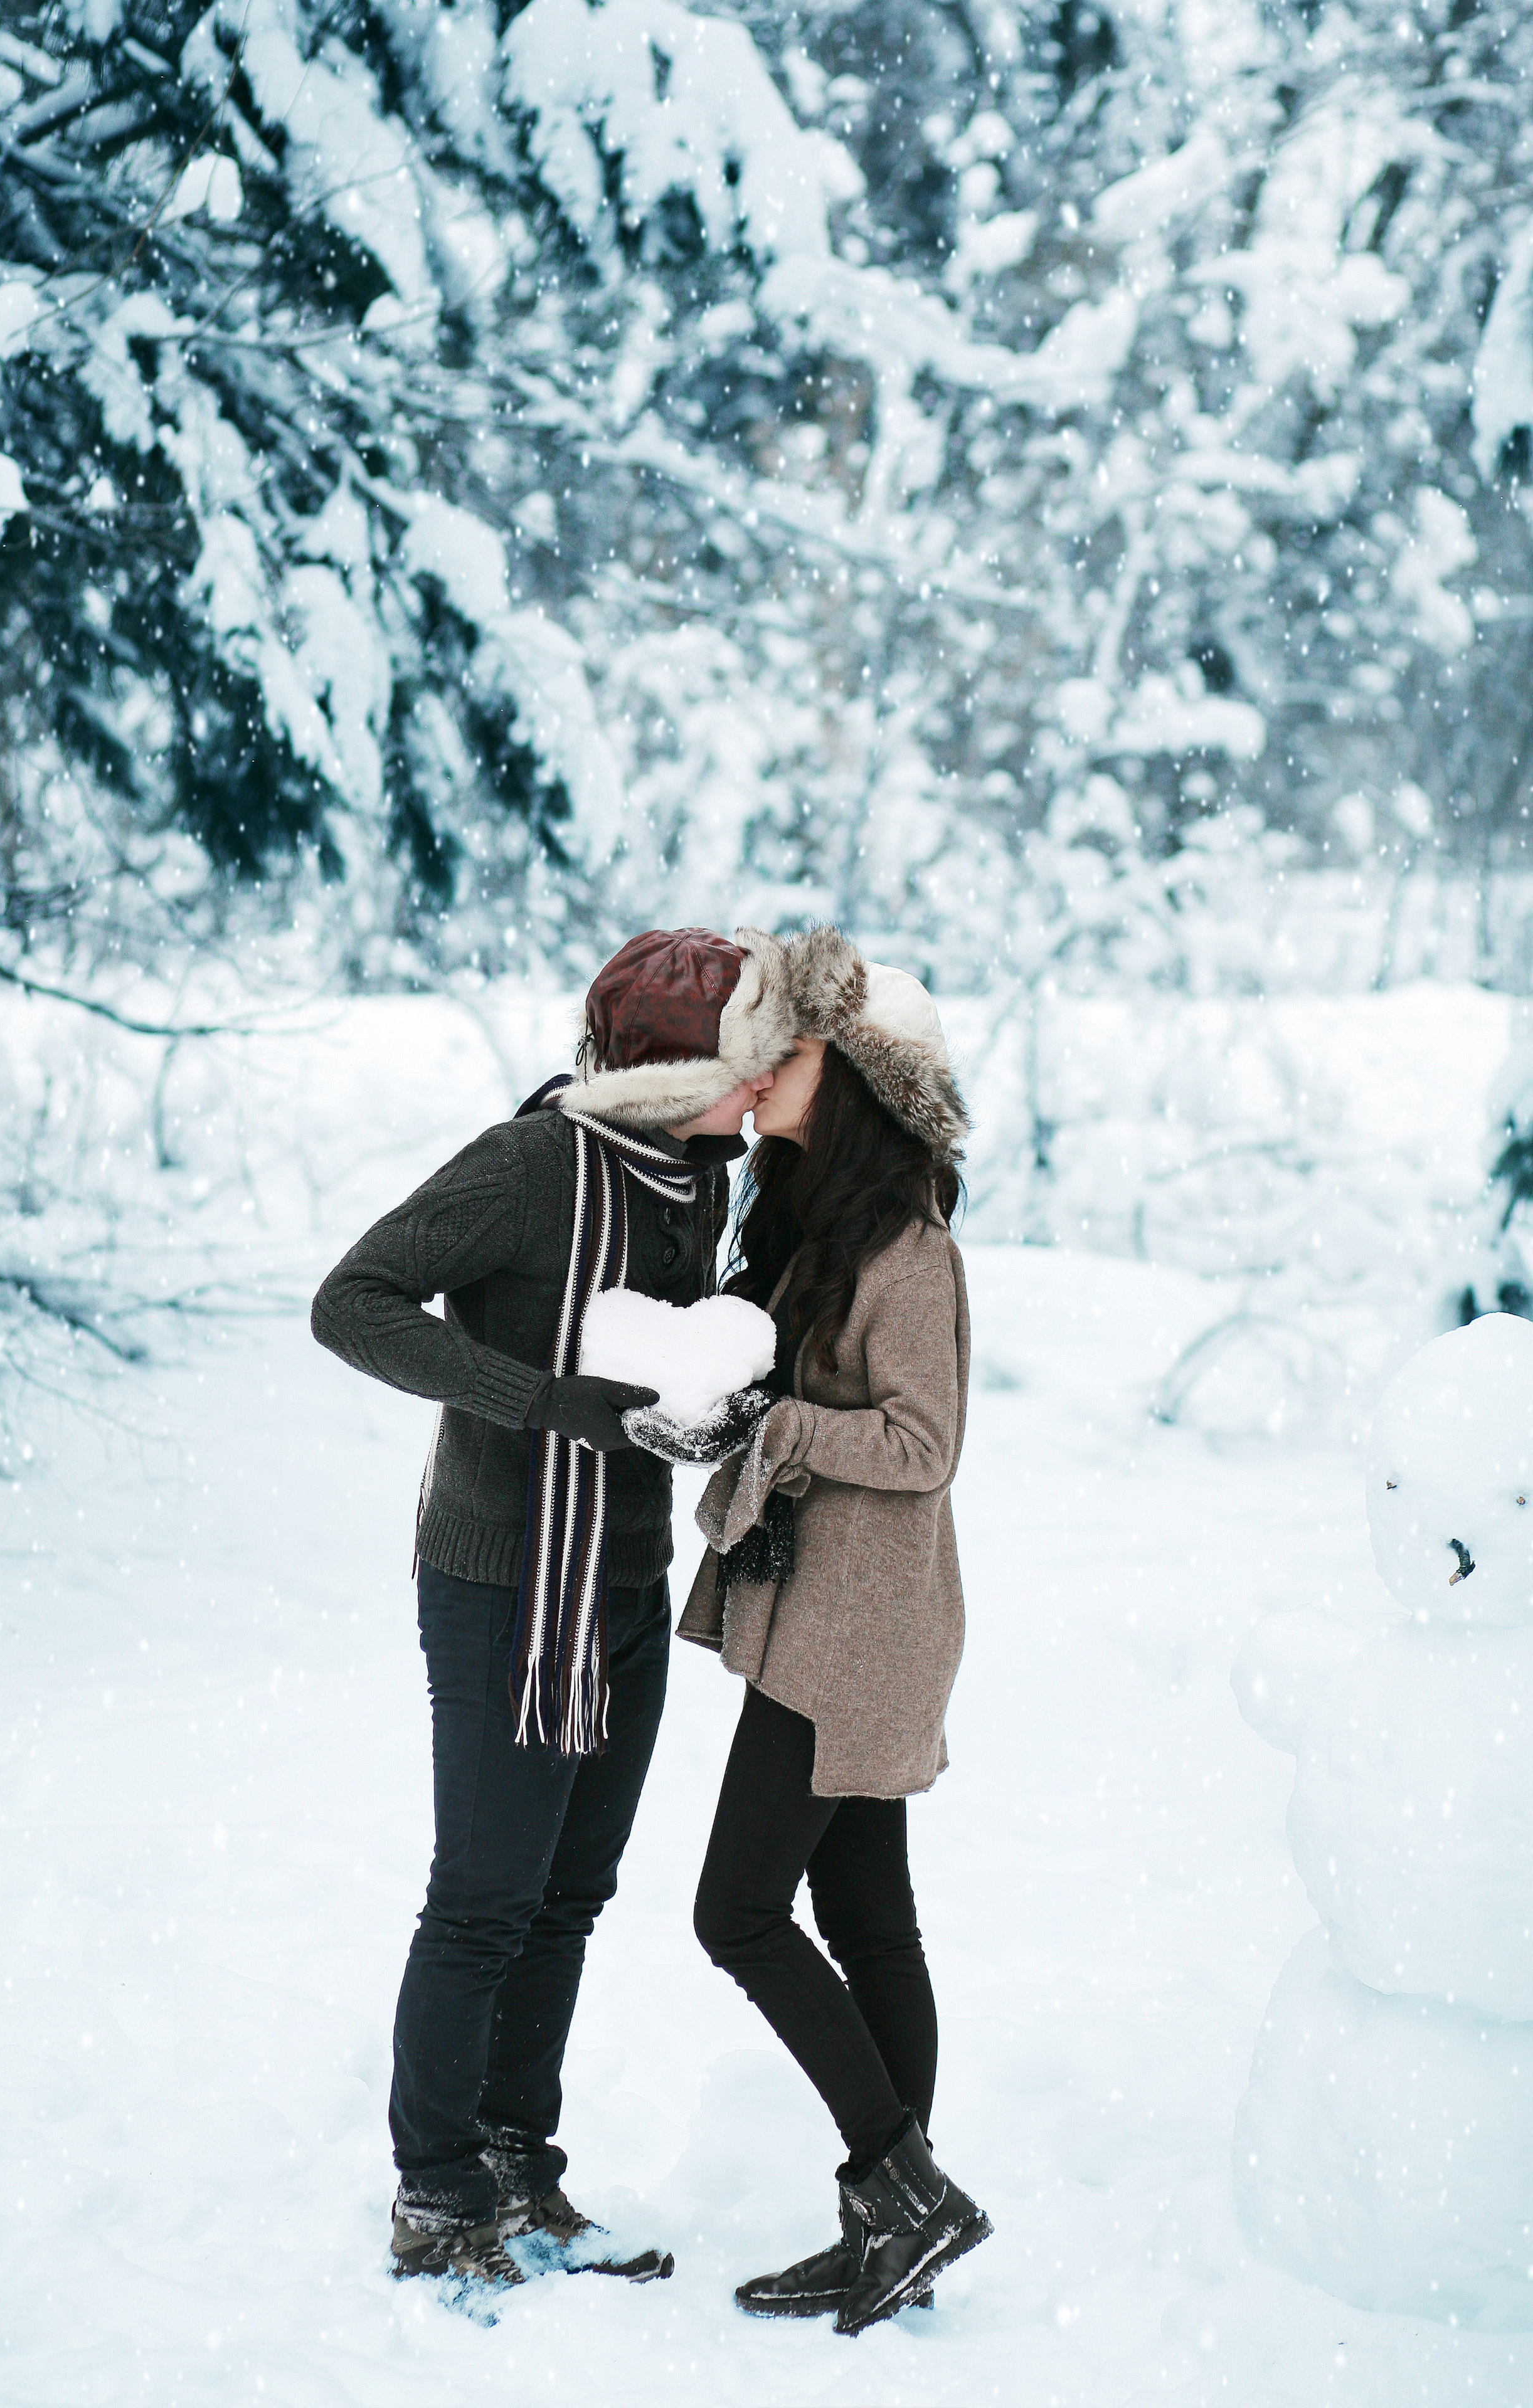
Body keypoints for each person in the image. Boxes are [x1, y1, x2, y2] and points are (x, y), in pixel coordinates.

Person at [309, 926, 795, 2292]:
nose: (764, 1087)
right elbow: (351, 1303)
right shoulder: (530, 1169)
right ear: (678, 1073)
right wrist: (536, 1400)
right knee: (484, 1898)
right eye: (748, 1063)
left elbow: (656, 1366)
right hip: (502, 1582)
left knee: (569, 1896)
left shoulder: (700, 1179)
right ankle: (436, 2192)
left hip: (624, 1576)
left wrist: (705, 1408)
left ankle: (520, 2164)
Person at [675, 924, 992, 2337]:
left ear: (853, 1078)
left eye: (789, 1052)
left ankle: (903, 2194)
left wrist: (786, 1427)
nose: (764, 1069)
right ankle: (892, 2225)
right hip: (828, 1611)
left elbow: (925, 1445)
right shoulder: (815, 1223)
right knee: (867, 1919)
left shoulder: (910, 1251)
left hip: (858, 1630)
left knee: (736, 1912)